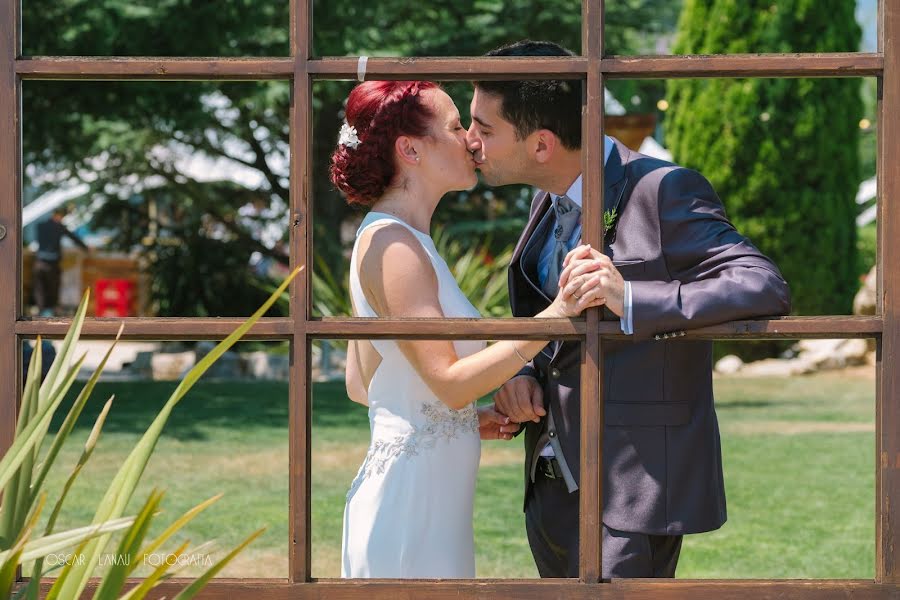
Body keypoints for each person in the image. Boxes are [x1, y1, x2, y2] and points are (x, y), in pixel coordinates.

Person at [466, 40, 792, 579]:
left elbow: (762, 283)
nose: (469, 140)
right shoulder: (544, 195)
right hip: (551, 483)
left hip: (633, 492)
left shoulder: (664, 189)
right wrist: (524, 371)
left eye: (484, 127)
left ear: (542, 144)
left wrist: (632, 297)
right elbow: (552, 310)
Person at [331, 80, 604, 578]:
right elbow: (449, 382)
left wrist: (454, 420)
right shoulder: (397, 249)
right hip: (411, 508)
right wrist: (558, 316)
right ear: (410, 149)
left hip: (425, 500)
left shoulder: (396, 239)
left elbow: (362, 385)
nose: (471, 140)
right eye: (457, 127)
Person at [33, 207, 89, 316]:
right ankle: (50, 313)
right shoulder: (59, 227)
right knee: (53, 290)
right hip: (52, 263)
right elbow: (74, 238)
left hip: (39, 262)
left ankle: (41, 312)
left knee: (39, 289)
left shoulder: (40, 226)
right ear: (58, 216)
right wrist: (86, 248)